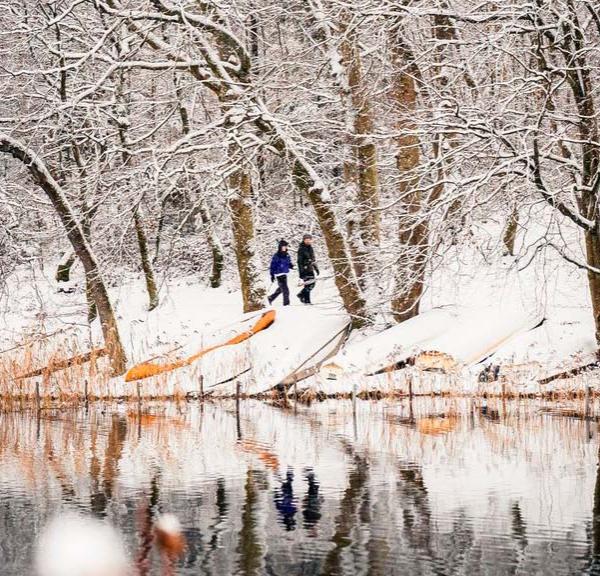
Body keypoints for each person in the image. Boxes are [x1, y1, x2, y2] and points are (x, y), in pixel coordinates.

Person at [268, 239, 293, 305]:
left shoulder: (287, 255)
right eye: (283, 246)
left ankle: (270, 298)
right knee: (286, 291)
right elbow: (272, 266)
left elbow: (288, 262)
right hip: (279, 275)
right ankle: (286, 305)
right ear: (280, 247)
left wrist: (291, 265)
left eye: (286, 246)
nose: (285, 248)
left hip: (284, 274)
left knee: (281, 289)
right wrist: (272, 275)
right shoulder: (276, 255)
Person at [297, 233, 319, 304]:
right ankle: (307, 301)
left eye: (309, 240)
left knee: (312, 284)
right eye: (306, 240)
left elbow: (313, 259)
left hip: (310, 269)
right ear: (303, 240)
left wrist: (316, 268)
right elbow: (299, 261)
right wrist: (301, 272)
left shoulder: (310, 248)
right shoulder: (301, 249)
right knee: (308, 285)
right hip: (304, 269)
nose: (308, 241)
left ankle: (301, 294)